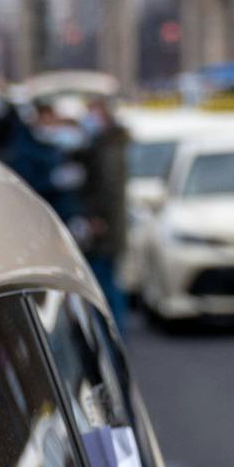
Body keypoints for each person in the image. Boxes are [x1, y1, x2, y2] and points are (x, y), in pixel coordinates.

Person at [77, 97, 131, 331]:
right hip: (108, 226)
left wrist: (99, 220)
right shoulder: (106, 145)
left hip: (105, 229)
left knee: (106, 282)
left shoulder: (108, 147)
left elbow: (108, 189)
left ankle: (114, 332)